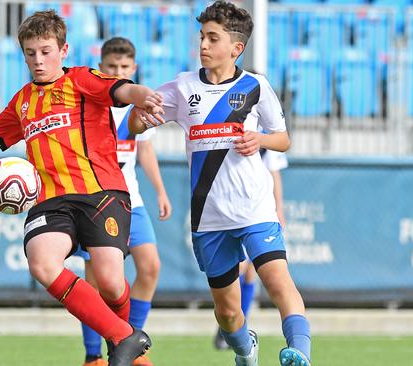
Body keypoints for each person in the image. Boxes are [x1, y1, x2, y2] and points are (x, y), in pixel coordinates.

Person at [0, 10, 165, 366]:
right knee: (41, 262)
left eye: (46, 51)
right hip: (51, 200)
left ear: (63, 50)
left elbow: (124, 88)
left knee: (112, 283)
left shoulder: (82, 79)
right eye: (30, 52)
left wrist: (144, 96)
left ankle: (125, 343)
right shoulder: (22, 101)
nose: (38, 60)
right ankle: (123, 338)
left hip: (101, 192)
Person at [128, 2, 312, 366]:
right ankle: (246, 349)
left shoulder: (255, 87)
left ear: (236, 48)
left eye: (213, 38)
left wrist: (258, 140)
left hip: (254, 209)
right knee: (227, 313)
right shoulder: (182, 87)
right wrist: (140, 117)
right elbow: (137, 126)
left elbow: (282, 138)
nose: (204, 45)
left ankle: (300, 354)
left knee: (278, 281)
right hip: (209, 218)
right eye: (202, 37)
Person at [75, 37, 171, 366]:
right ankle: (93, 356)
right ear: (101, 69)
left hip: (134, 200)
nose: (118, 72)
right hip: (98, 201)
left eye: (124, 67)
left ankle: (130, 343)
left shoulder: (135, 107)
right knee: (96, 279)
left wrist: (159, 189)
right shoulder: (92, 106)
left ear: (134, 69)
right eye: (112, 67)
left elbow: (144, 148)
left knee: (150, 267)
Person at [214, 150, 289, 350]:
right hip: (236, 207)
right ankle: (229, 328)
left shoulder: (266, 135)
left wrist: (278, 208)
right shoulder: (239, 126)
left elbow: (274, 173)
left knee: (250, 274)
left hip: (259, 209)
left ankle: (240, 325)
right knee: (238, 267)